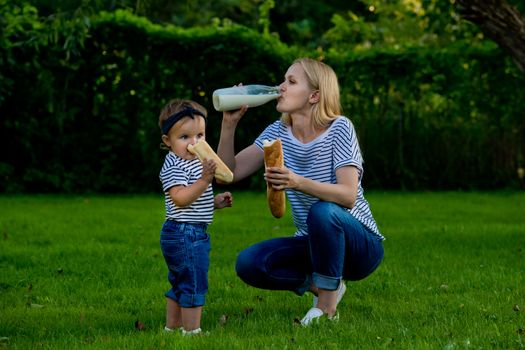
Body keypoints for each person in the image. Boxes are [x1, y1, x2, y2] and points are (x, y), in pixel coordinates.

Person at [217, 58, 385, 326]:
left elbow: (348, 195)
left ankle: (326, 309)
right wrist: (229, 124)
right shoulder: (277, 132)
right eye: (284, 80)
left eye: (291, 82)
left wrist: (297, 181)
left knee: (323, 210)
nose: (281, 87)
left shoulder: (339, 128)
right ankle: (324, 287)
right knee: (250, 262)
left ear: (314, 95)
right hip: (313, 243)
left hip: (360, 246)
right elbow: (229, 173)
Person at [158, 99, 233, 335]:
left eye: (200, 135)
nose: (194, 143)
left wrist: (214, 203)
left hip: (190, 229)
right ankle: (192, 331)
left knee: (180, 281)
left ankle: (172, 327)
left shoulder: (195, 163)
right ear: (167, 141)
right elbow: (180, 198)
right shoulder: (173, 165)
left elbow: (194, 200)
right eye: (184, 137)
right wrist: (204, 181)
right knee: (193, 281)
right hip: (184, 233)